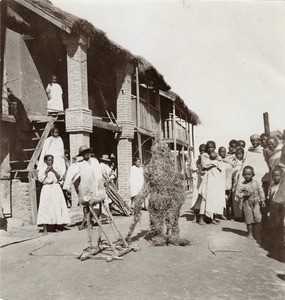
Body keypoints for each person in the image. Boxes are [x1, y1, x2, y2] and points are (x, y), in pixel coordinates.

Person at [63, 145, 106, 230]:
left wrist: (100, 184)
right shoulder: (79, 164)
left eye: (87, 152)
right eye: (83, 153)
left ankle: (88, 221)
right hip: (84, 185)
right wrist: (66, 186)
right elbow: (71, 172)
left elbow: (98, 173)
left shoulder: (94, 161)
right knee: (85, 204)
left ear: (89, 153)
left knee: (92, 202)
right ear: (82, 155)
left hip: (93, 184)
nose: (86, 154)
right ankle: (85, 221)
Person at [37, 155, 70, 234]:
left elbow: (59, 178)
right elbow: (41, 179)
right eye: (49, 160)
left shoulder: (56, 168)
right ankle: (45, 227)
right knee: (46, 207)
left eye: (52, 160)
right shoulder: (42, 169)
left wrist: (54, 171)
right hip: (47, 188)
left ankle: (57, 225)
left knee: (57, 206)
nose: (51, 162)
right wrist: (46, 171)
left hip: (56, 187)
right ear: (45, 161)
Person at [197, 141, 225, 224]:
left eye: (212, 147)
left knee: (213, 198)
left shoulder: (217, 156)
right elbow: (205, 165)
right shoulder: (204, 155)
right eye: (208, 147)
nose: (210, 149)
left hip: (215, 179)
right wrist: (215, 162)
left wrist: (215, 162)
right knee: (205, 197)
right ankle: (201, 218)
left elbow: (221, 165)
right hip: (207, 179)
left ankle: (212, 218)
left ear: (215, 148)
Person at [236, 166, 265, 239]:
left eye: (249, 174)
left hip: (256, 202)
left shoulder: (256, 182)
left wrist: (262, 200)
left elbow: (261, 191)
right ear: (243, 175)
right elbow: (238, 194)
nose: (247, 176)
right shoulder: (242, 184)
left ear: (253, 175)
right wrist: (244, 195)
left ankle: (256, 232)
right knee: (248, 218)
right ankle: (249, 233)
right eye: (245, 174)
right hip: (247, 203)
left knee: (258, 217)